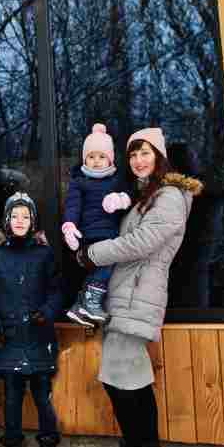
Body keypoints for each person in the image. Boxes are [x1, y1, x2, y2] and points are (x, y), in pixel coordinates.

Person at [77, 127, 202, 447]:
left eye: (144, 153)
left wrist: (93, 253)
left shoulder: (170, 196)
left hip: (138, 295)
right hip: (128, 294)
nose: (137, 161)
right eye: (132, 155)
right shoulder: (147, 195)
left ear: (160, 156)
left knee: (123, 384)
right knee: (130, 384)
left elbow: (143, 241)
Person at [0, 192, 65, 447]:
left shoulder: (45, 254)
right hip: (7, 337)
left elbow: (57, 290)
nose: (20, 221)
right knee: (12, 398)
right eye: (15, 216)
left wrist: (48, 312)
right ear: (6, 220)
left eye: (25, 217)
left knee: (42, 397)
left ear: (33, 221)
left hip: (38, 336)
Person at [60, 124, 131, 326]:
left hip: (110, 233)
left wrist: (120, 199)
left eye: (101, 157)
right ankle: (91, 301)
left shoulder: (117, 180)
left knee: (99, 269)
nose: (96, 161)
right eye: (91, 157)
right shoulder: (79, 182)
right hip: (89, 235)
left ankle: (79, 306)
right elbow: (72, 206)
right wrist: (69, 227)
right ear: (84, 159)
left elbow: (130, 197)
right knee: (106, 266)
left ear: (110, 158)